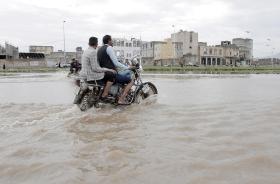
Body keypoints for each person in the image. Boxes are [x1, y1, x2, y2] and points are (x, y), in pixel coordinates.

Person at [97, 35, 134, 105]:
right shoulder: (109, 48)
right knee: (131, 81)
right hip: (110, 73)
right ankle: (121, 99)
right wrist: (127, 67)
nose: (112, 41)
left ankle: (116, 94)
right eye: (112, 40)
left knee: (122, 77)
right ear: (109, 41)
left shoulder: (100, 49)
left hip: (103, 73)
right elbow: (116, 62)